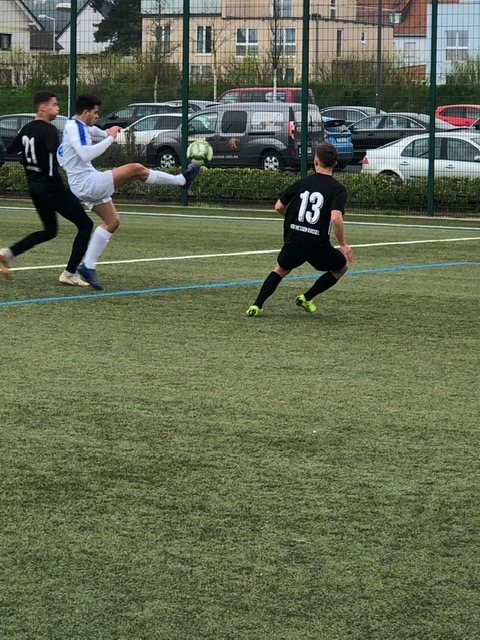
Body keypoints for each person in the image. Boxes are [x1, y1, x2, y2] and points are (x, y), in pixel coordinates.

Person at [57, 93, 200, 290]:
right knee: (136, 169)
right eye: (96, 112)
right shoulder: (75, 129)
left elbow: (91, 133)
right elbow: (85, 153)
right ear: (86, 112)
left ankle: (88, 266)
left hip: (83, 184)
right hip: (88, 183)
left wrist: (107, 132)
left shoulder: (76, 125)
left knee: (112, 221)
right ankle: (181, 180)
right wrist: (110, 138)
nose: (97, 116)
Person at [246, 142, 353, 317]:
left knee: (280, 270)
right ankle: (307, 298)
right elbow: (335, 218)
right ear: (335, 163)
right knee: (341, 268)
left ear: (315, 162)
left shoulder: (303, 182)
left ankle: (256, 306)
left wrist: (294, 220)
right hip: (317, 244)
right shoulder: (338, 189)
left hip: (294, 238)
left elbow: (279, 206)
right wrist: (343, 244)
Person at [0, 91, 93, 285]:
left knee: (50, 230)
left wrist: (22, 135)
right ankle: (69, 273)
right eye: (54, 104)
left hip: (34, 187)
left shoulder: (27, 128)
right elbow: (56, 155)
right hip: (51, 187)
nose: (58, 108)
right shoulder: (49, 131)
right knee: (85, 225)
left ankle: (8, 253)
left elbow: (11, 149)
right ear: (42, 107)